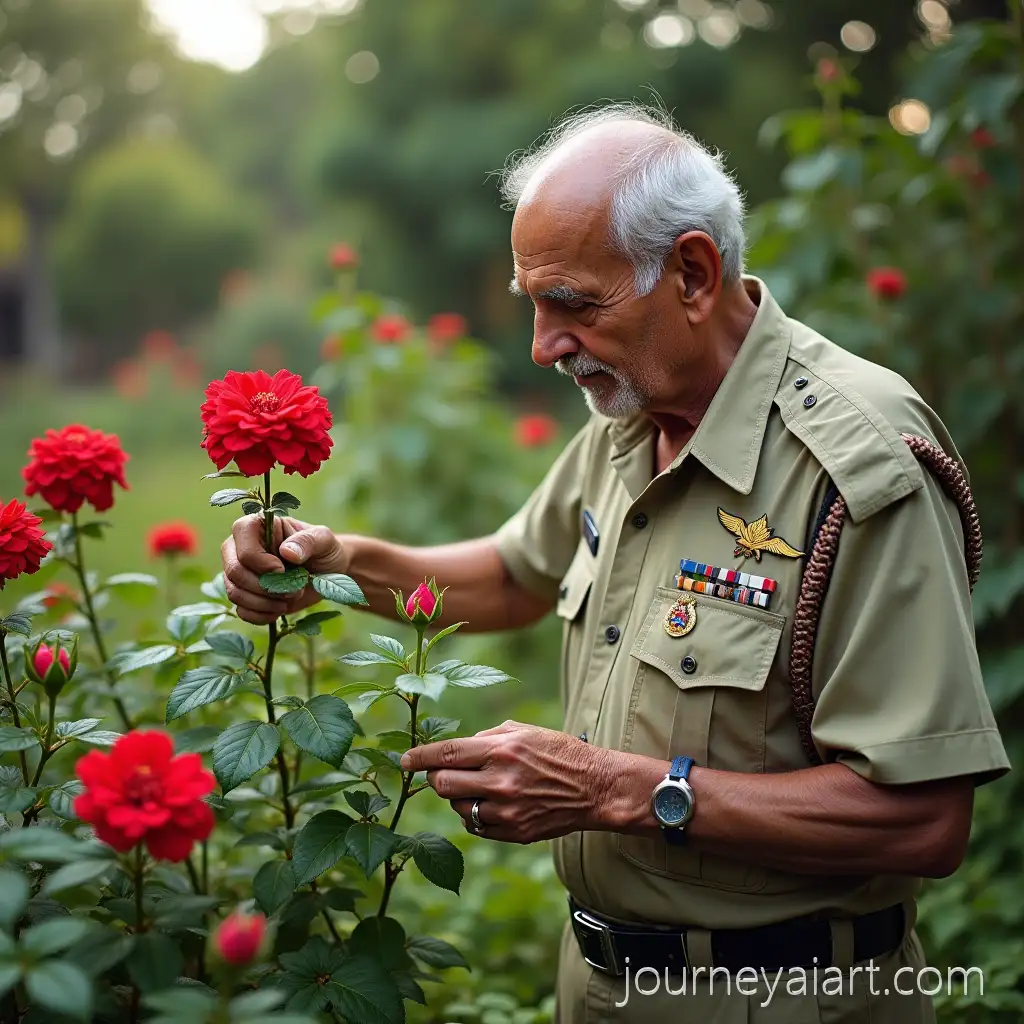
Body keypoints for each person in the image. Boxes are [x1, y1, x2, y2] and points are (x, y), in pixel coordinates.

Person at [220, 103, 1009, 1023]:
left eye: (574, 305)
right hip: (599, 987)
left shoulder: (858, 465)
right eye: (536, 304)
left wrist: (616, 788)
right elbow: (517, 574)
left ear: (692, 273)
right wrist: (334, 563)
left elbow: (921, 819)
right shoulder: (637, 415)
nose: (543, 345)